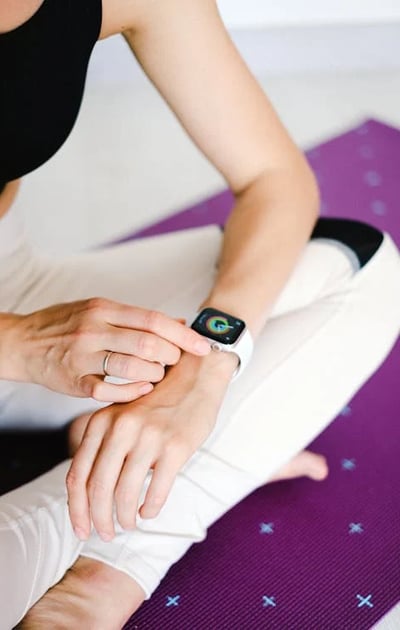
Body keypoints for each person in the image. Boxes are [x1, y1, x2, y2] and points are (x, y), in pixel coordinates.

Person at [1, 1, 399, 628]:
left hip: (14, 280)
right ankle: (150, 486)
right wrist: (15, 343)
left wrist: (212, 360)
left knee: (357, 268)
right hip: (14, 338)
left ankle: (111, 562)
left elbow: (275, 179)